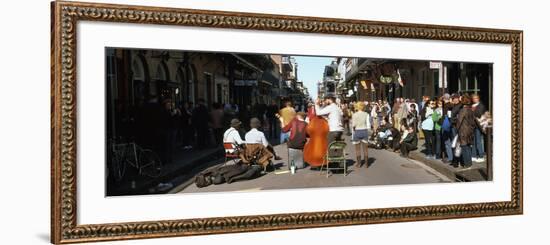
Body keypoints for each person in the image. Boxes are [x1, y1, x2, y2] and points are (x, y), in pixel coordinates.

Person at [456, 94, 477, 169]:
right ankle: (469, 163)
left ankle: (467, 164)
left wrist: (457, 130)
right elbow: (474, 121)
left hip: (463, 131)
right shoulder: (471, 110)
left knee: (464, 147)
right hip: (470, 131)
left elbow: (459, 121)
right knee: (468, 147)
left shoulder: (463, 110)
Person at [351, 102, 370, 168]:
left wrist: (353, 132)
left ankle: (359, 164)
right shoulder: (366, 114)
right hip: (364, 131)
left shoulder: (354, 114)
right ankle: (366, 164)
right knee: (365, 149)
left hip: (357, 131)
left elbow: (353, 125)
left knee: (357, 149)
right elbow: (368, 125)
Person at [471, 94, 487, 162]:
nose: (475, 99)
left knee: (478, 141)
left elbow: (479, 114)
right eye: (474, 98)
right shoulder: (472, 106)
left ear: (478, 98)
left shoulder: (481, 105)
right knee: (474, 141)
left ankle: (481, 156)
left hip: (479, 126)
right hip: (473, 125)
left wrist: (472, 110)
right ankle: (474, 155)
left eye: (476, 98)